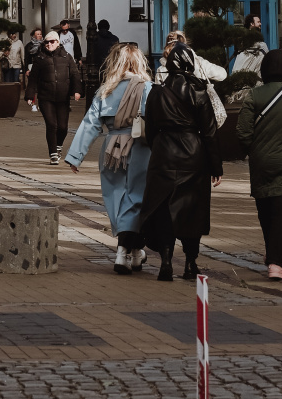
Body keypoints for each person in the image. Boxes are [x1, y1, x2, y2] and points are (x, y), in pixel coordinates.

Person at [64, 43, 152, 273]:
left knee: (115, 198)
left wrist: (75, 156)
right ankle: (127, 252)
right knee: (136, 199)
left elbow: (90, 123)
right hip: (140, 147)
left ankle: (131, 252)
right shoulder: (148, 88)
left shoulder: (106, 90)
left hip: (111, 146)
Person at [139, 41, 223, 282]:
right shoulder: (199, 91)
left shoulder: (156, 92)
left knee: (163, 209)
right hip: (193, 155)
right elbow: (210, 132)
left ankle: (166, 260)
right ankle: (190, 263)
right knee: (192, 211)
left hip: (164, 154)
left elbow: (150, 129)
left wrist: (159, 149)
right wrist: (216, 166)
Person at [238, 48, 282, 280]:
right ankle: (276, 263)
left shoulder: (254, 95)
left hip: (261, 163)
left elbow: (242, 131)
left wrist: (254, 148)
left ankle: (272, 255)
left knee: (265, 212)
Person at [28, 31, 82, 163]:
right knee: (51, 124)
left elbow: (75, 75)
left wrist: (77, 91)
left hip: (62, 97)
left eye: (52, 41)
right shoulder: (40, 58)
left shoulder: (67, 57)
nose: (49, 44)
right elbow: (33, 79)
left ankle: (58, 146)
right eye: (46, 42)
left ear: (58, 43)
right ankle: (53, 153)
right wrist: (30, 95)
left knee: (63, 127)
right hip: (46, 97)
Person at [230, 12, 269, 76]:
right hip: (252, 77)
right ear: (252, 24)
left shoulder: (241, 41)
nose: (260, 24)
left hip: (239, 75)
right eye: (258, 22)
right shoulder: (261, 45)